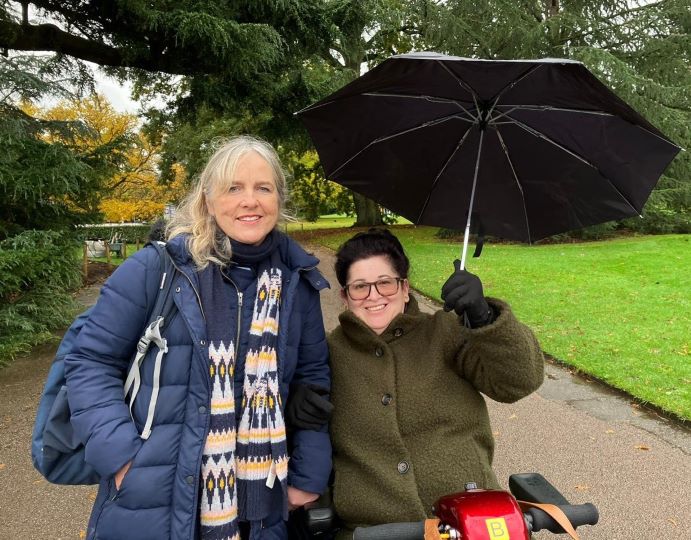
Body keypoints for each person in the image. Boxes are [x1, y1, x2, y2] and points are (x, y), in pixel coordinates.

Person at [65, 135, 332, 540]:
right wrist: (122, 458)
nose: (250, 200)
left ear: (279, 199)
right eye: (234, 188)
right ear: (208, 200)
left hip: (263, 503)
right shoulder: (157, 270)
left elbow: (313, 380)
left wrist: (308, 476)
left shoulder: (297, 283)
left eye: (263, 188)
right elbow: (90, 362)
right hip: (157, 491)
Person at [327, 228, 544, 536]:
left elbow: (520, 381)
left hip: (473, 517)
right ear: (345, 297)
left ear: (405, 288)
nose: (374, 296)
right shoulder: (326, 355)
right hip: (376, 531)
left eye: (385, 283)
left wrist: (483, 316)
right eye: (360, 287)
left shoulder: (444, 332)